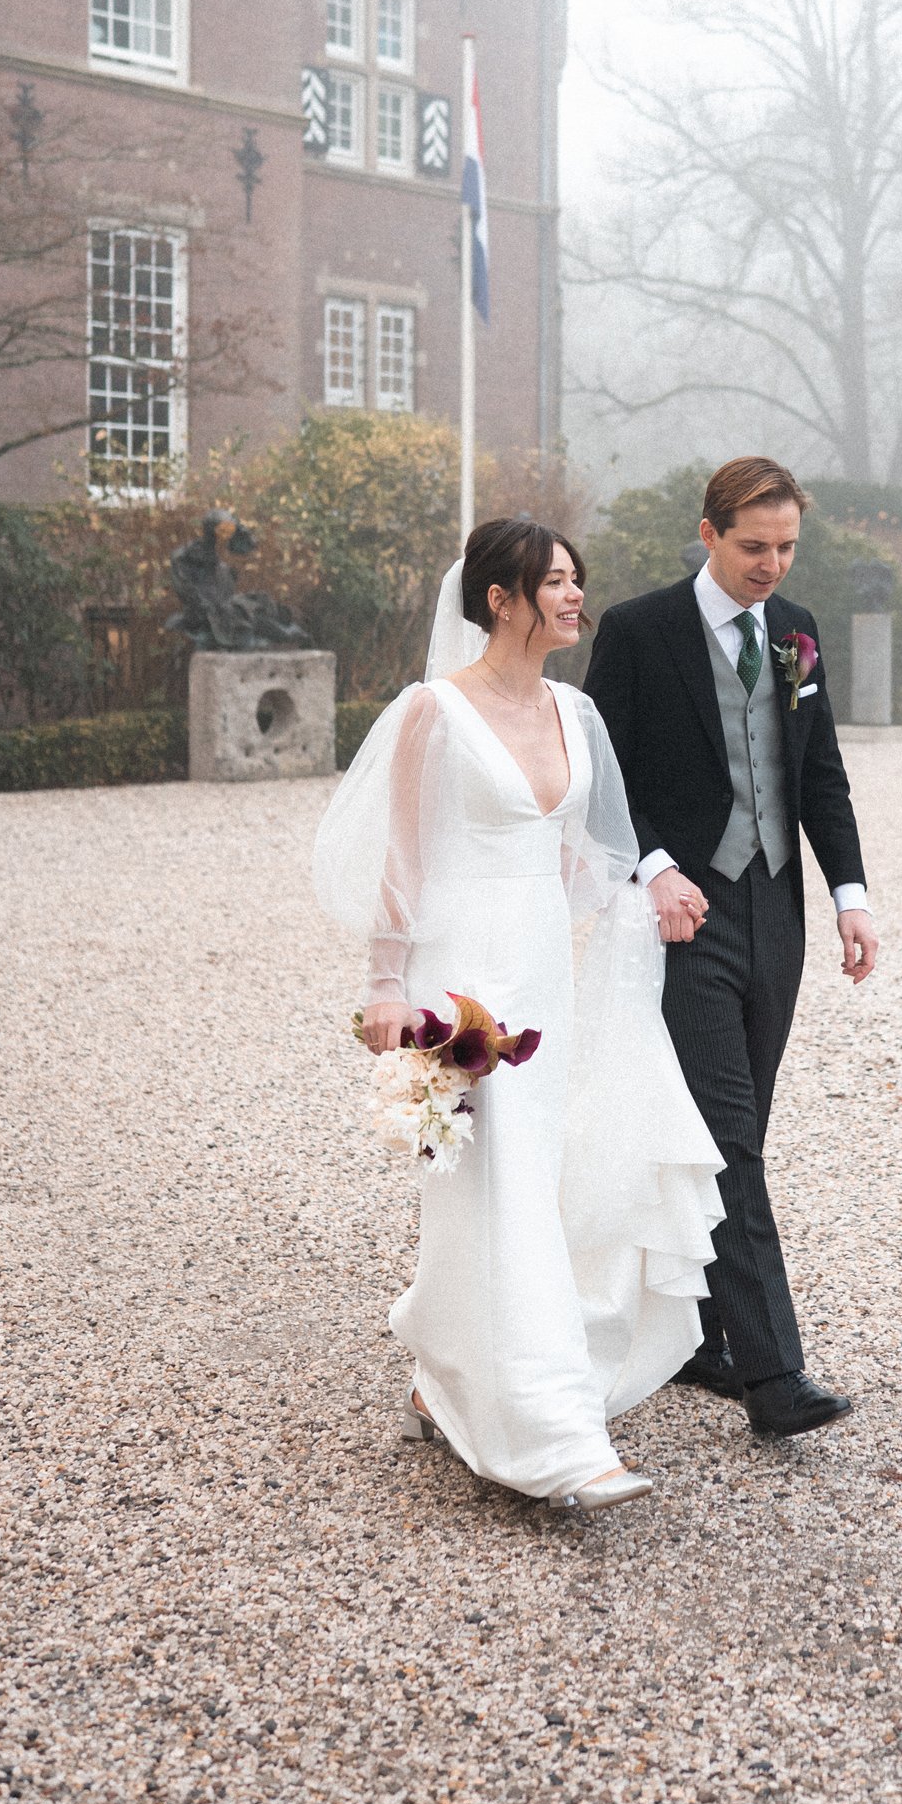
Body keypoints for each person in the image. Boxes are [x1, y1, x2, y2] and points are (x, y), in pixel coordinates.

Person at [312, 518, 724, 1512]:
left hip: (546, 972)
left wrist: (648, 894)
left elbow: (589, 852)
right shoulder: (432, 713)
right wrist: (382, 985)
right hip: (463, 978)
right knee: (492, 1176)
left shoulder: (576, 711)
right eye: (555, 583)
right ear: (500, 599)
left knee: (523, 1176)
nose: (576, 597)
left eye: (577, 581)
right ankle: (553, 1438)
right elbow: (401, 858)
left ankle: (440, 1361)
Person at [585, 457, 878, 1438]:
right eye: (753, 545)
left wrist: (848, 894)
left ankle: (699, 1334)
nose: (770, 563)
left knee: (720, 1137)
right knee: (733, 1137)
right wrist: (655, 865)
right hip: (681, 913)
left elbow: (819, 771)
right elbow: (604, 773)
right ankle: (772, 1373)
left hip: (776, 915)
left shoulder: (795, 632)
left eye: (786, 546)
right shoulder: (637, 631)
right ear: (706, 533)